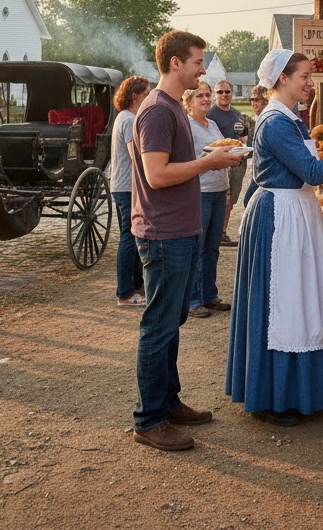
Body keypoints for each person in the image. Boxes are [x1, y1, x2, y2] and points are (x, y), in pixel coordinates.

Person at [225, 50, 323, 427]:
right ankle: (273, 398)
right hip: (279, 216)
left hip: (295, 212)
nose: (310, 84)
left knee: (300, 301)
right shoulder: (276, 123)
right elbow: (312, 171)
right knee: (283, 305)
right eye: (304, 77)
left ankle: (298, 392)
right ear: (282, 79)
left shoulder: (291, 119)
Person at [130, 30, 242, 452]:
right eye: (197, 61)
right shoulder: (157, 111)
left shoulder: (172, 107)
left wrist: (208, 162)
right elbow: (157, 176)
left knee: (171, 323)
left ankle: (168, 401)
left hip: (181, 229)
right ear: (175, 63)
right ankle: (148, 419)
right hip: (163, 232)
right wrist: (209, 162)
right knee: (158, 326)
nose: (202, 68)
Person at [182, 80, 231, 318]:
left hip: (219, 191)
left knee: (212, 248)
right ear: (188, 102)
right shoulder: (186, 126)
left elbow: (223, 149)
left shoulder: (211, 124)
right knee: (196, 248)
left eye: (207, 95)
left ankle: (210, 295)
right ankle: (192, 300)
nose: (206, 99)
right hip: (200, 192)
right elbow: (187, 161)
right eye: (200, 96)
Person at [109, 75, 151, 308]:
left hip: (122, 185)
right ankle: (124, 293)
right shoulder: (128, 120)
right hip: (127, 187)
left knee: (132, 235)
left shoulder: (126, 117)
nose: (148, 96)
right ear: (134, 95)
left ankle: (135, 284)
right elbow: (136, 156)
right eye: (145, 92)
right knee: (129, 237)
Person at [207, 79, 247, 247]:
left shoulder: (237, 114)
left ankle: (222, 232)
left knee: (231, 200)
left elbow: (243, 135)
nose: (224, 95)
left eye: (227, 92)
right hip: (218, 162)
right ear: (215, 95)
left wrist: (244, 140)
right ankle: (215, 232)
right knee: (223, 196)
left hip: (236, 161)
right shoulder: (210, 114)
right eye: (220, 92)